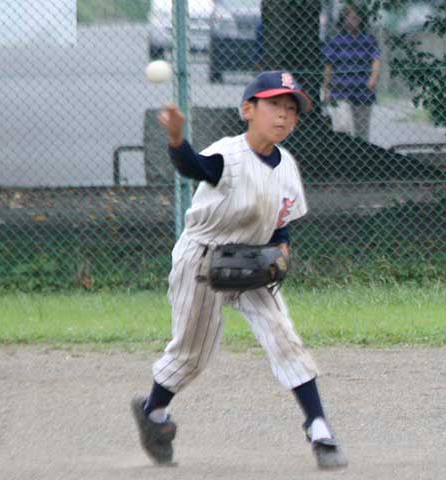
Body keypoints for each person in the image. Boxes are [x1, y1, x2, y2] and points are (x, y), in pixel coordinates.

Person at [130, 70, 348, 471]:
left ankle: (318, 427)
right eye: (274, 105)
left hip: (254, 261)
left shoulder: (287, 167)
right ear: (248, 109)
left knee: (284, 337)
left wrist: (282, 248)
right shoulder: (229, 155)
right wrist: (176, 138)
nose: (283, 115)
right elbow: (193, 167)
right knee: (192, 353)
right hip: (201, 260)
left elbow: (281, 221)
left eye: (291, 109)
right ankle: (154, 413)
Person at [322, 3, 381, 142]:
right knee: (342, 127)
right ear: (343, 19)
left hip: (363, 91)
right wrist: (326, 87)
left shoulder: (368, 40)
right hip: (340, 91)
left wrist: (373, 77)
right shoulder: (336, 41)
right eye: (349, 17)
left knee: (362, 133)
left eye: (356, 17)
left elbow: (376, 59)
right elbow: (329, 65)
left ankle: (362, 154)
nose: (353, 20)